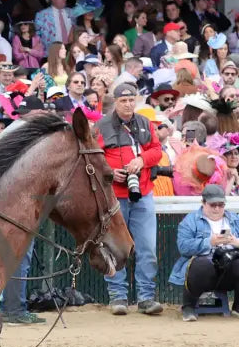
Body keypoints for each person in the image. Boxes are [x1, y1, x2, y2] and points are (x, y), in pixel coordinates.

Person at [95, 82, 164, 315]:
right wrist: (110, 172)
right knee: (114, 247)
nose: (127, 104)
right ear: (115, 102)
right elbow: (92, 159)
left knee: (147, 248)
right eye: (123, 100)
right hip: (114, 196)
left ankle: (146, 298)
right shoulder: (101, 126)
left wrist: (141, 160)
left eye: (131, 100)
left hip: (142, 193)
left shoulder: (145, 123)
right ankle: (118, 297)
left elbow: (157, 151)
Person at [169, 184, 239, 321]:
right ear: (203, 203)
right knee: (200, 264)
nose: (217, 208)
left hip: (229, 266)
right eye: (213, 205)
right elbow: (183, 247)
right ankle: (188, 306)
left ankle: (238, 306)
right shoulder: (190, 221)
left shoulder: (235, 219)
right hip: (203, 269)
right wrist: (209, 242)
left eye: (221, 205)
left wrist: (236, 242)